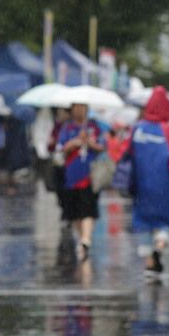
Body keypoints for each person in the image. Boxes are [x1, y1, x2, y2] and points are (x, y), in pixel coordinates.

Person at [127, 86, 169, 275]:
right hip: (163, 185)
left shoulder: (138, 129)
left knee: (144, 222)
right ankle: (160, 246)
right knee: (163, 222)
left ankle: (149, 262)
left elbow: (127, 155)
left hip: (141, 185)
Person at [56, 101, 105, 261]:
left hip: (89, 175)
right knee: (75, 213)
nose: (80, 111)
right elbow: (61, 147)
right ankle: (82, 238)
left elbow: (102, 146)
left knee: (89, 209)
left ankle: (86, 239)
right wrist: (76, 141)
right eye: (77, 107)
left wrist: (90, 143)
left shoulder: (94, 127)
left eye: (83, 107)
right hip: (71, 176)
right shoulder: (67, 128)